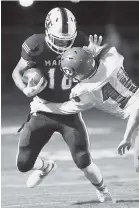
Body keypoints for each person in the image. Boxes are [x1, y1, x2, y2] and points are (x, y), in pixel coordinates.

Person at [12, 7, 113, 203]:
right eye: (58, 39)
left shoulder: (82, 41)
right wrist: (25, 90)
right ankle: (46, 166)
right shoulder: (35, 44)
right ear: (48, 31)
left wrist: (93, 60)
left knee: (83, 159)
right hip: (43, 108)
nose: (63, 44)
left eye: (67, 40)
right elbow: (17, 72)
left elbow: (97, 77)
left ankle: (103, 190)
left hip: (69, 109)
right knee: (23, 164)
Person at [31, 36, 139, 174]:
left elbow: (63, 109)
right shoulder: (112, 61)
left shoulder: (87, 90)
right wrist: (93, 52)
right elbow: (107, 49)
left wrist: (39, 106)